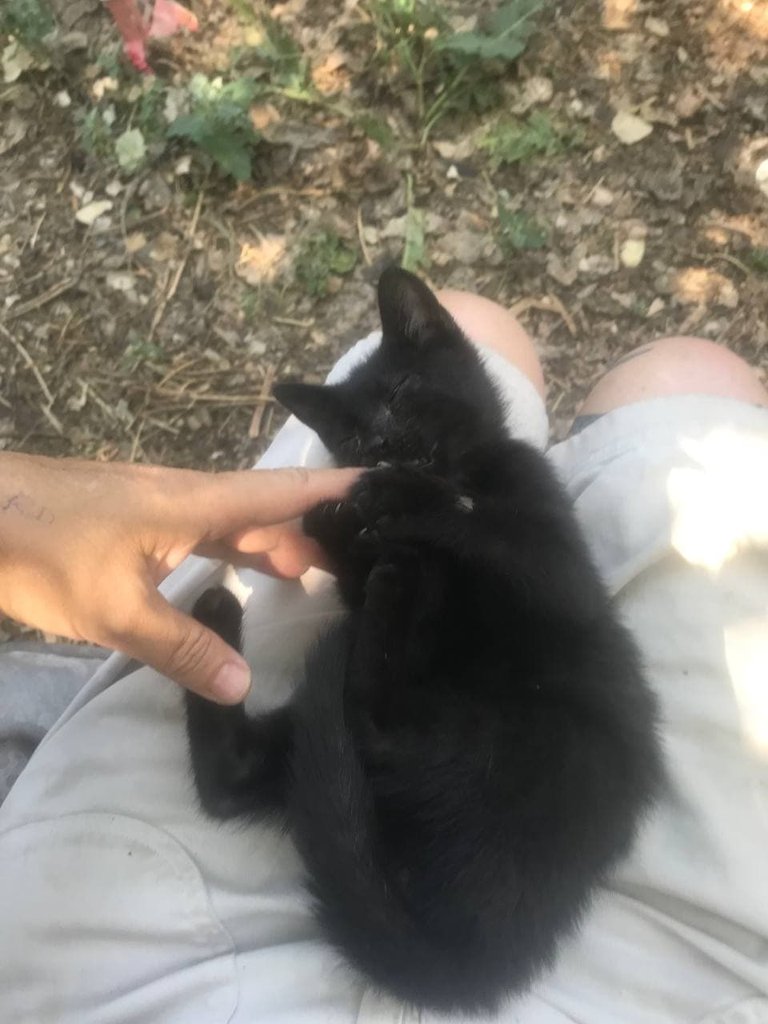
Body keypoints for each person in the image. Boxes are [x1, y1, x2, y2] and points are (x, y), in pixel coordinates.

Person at [1, 287, 767, 1023]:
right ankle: (321, 736)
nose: (416, 451)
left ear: (442, 352)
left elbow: (548, 590)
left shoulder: (507, 480)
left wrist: (428, 529)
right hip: (524, 843)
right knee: (695, 378)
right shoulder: (483, 494)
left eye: (422, 417)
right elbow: (534, 600)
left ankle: (272, 753)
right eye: (382, 446)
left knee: (388, 653)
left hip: (473, 813)